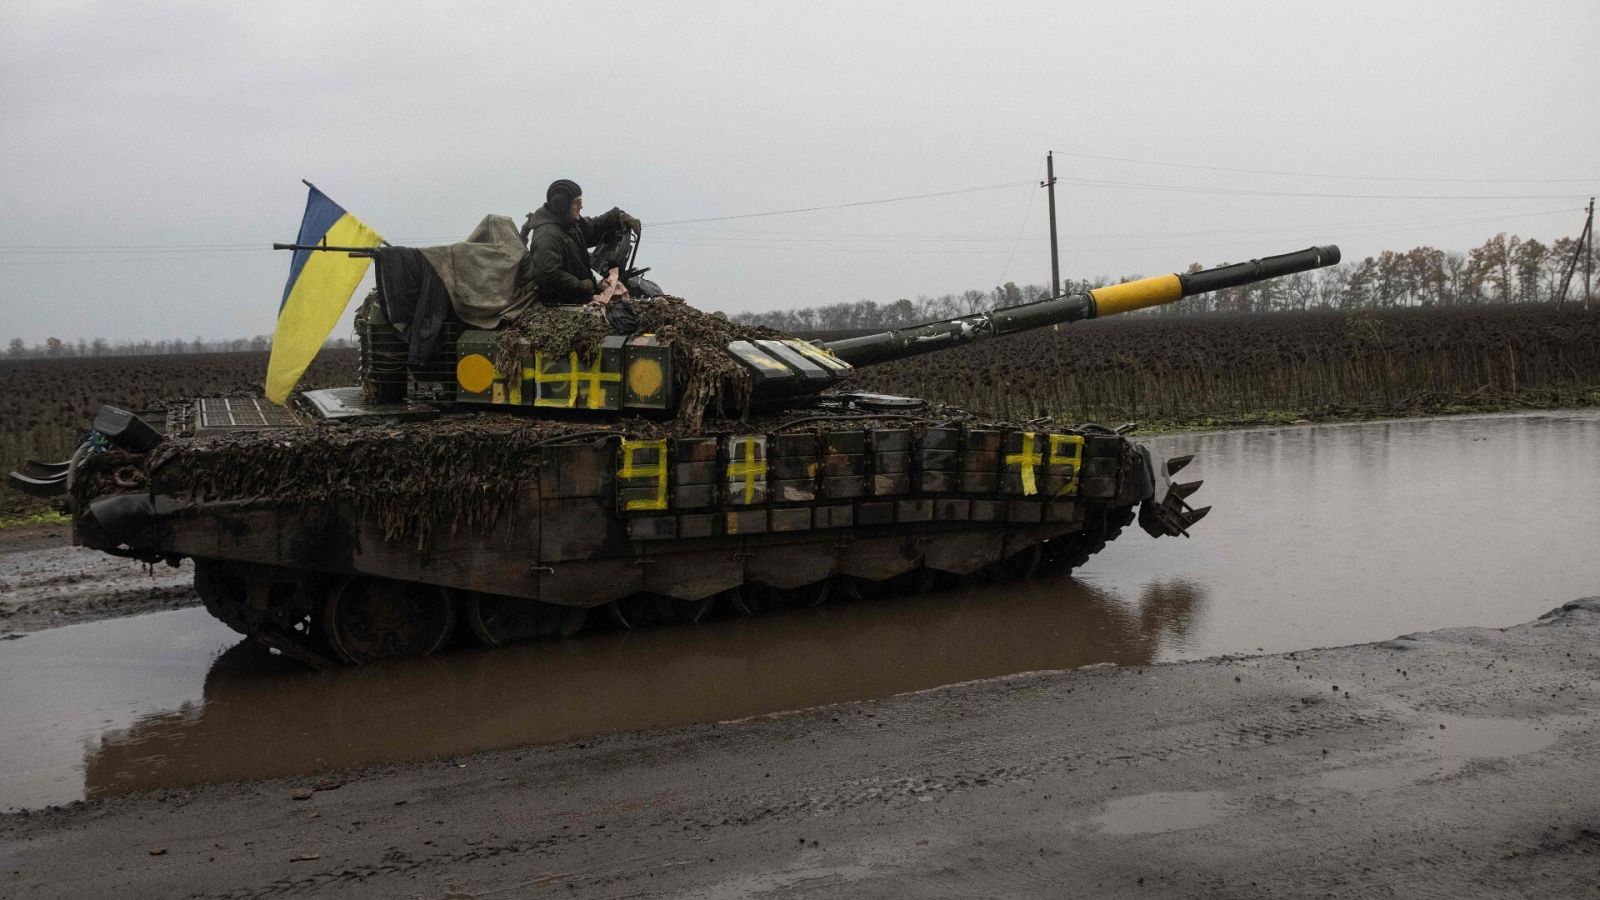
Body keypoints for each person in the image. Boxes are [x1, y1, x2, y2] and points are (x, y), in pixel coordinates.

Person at [517, 179, 641, 308]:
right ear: (562, 205)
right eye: (577, 203)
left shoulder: (568, 224)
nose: (581, 206)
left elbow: (591, 229)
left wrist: (618, 216)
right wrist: (580, 285)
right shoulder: (548, 236)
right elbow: (547, 274)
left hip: (579, 300)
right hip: (563, 305)